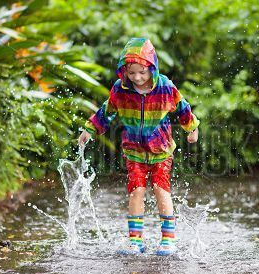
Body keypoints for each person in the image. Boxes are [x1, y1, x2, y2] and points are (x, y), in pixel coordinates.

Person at [78, 37, 199, 256]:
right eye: (132, 72)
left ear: (152, 68)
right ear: (124, 70)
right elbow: (107, 111)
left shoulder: (164, 87)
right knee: (136, 191)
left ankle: (168, 240)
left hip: (161, 151)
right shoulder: (121, 89)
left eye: (142, 72)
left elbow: (182, 108)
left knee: (161, 190)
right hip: (133, 152)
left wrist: (192, 128)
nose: (137, 77)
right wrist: (90, 129)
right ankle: (135, 241)